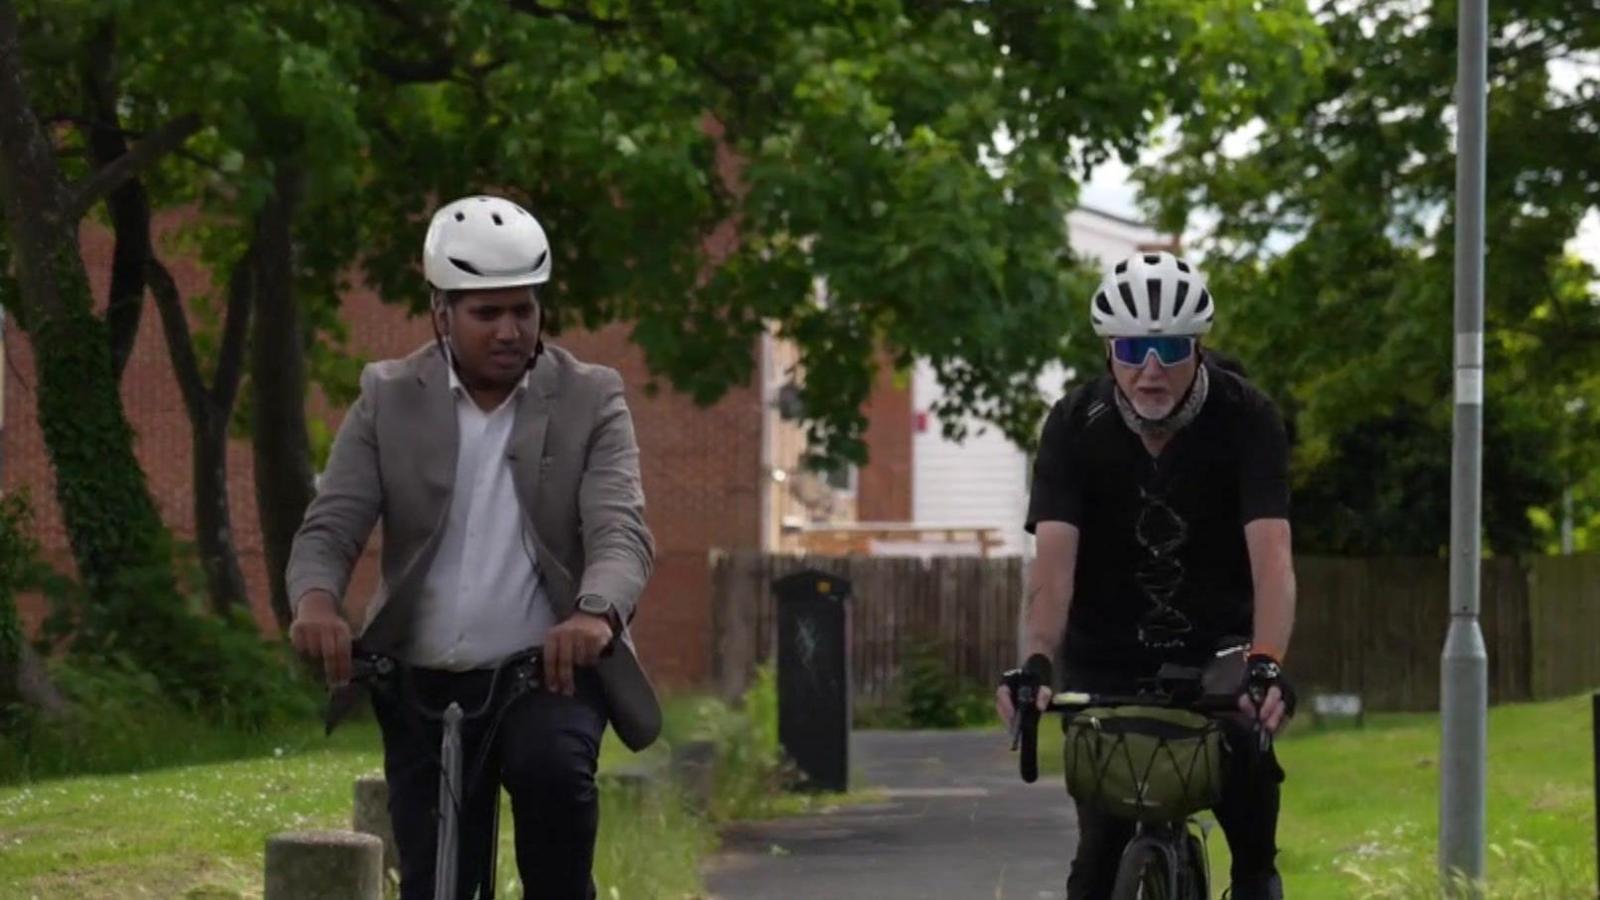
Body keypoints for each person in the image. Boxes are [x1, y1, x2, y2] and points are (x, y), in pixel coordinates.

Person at [286, 194, 659, 900]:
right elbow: (330, 526)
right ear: (441, 312)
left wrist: (595, 614)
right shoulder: (386, 397)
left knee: (554, 781)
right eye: (487, 312)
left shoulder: (591, 398)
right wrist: (316, 601)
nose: (510, 330)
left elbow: (621, 529)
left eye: (524, 309)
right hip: (420, 678)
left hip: (546, 674)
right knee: (434, 879)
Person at [996, 251, 1297, 899]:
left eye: (1171, 347)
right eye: (1133, 347)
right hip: (1105, 655)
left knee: (1253, 841)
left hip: (1221, 650)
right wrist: (1039, 664)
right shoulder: (1075, 426)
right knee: (1096, 860)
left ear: (1200, 347)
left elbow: (1272, 557)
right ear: (1110, 350)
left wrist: (1267, 659)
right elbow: (1052, 564)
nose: (1151, 369)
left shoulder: (1248, 417)